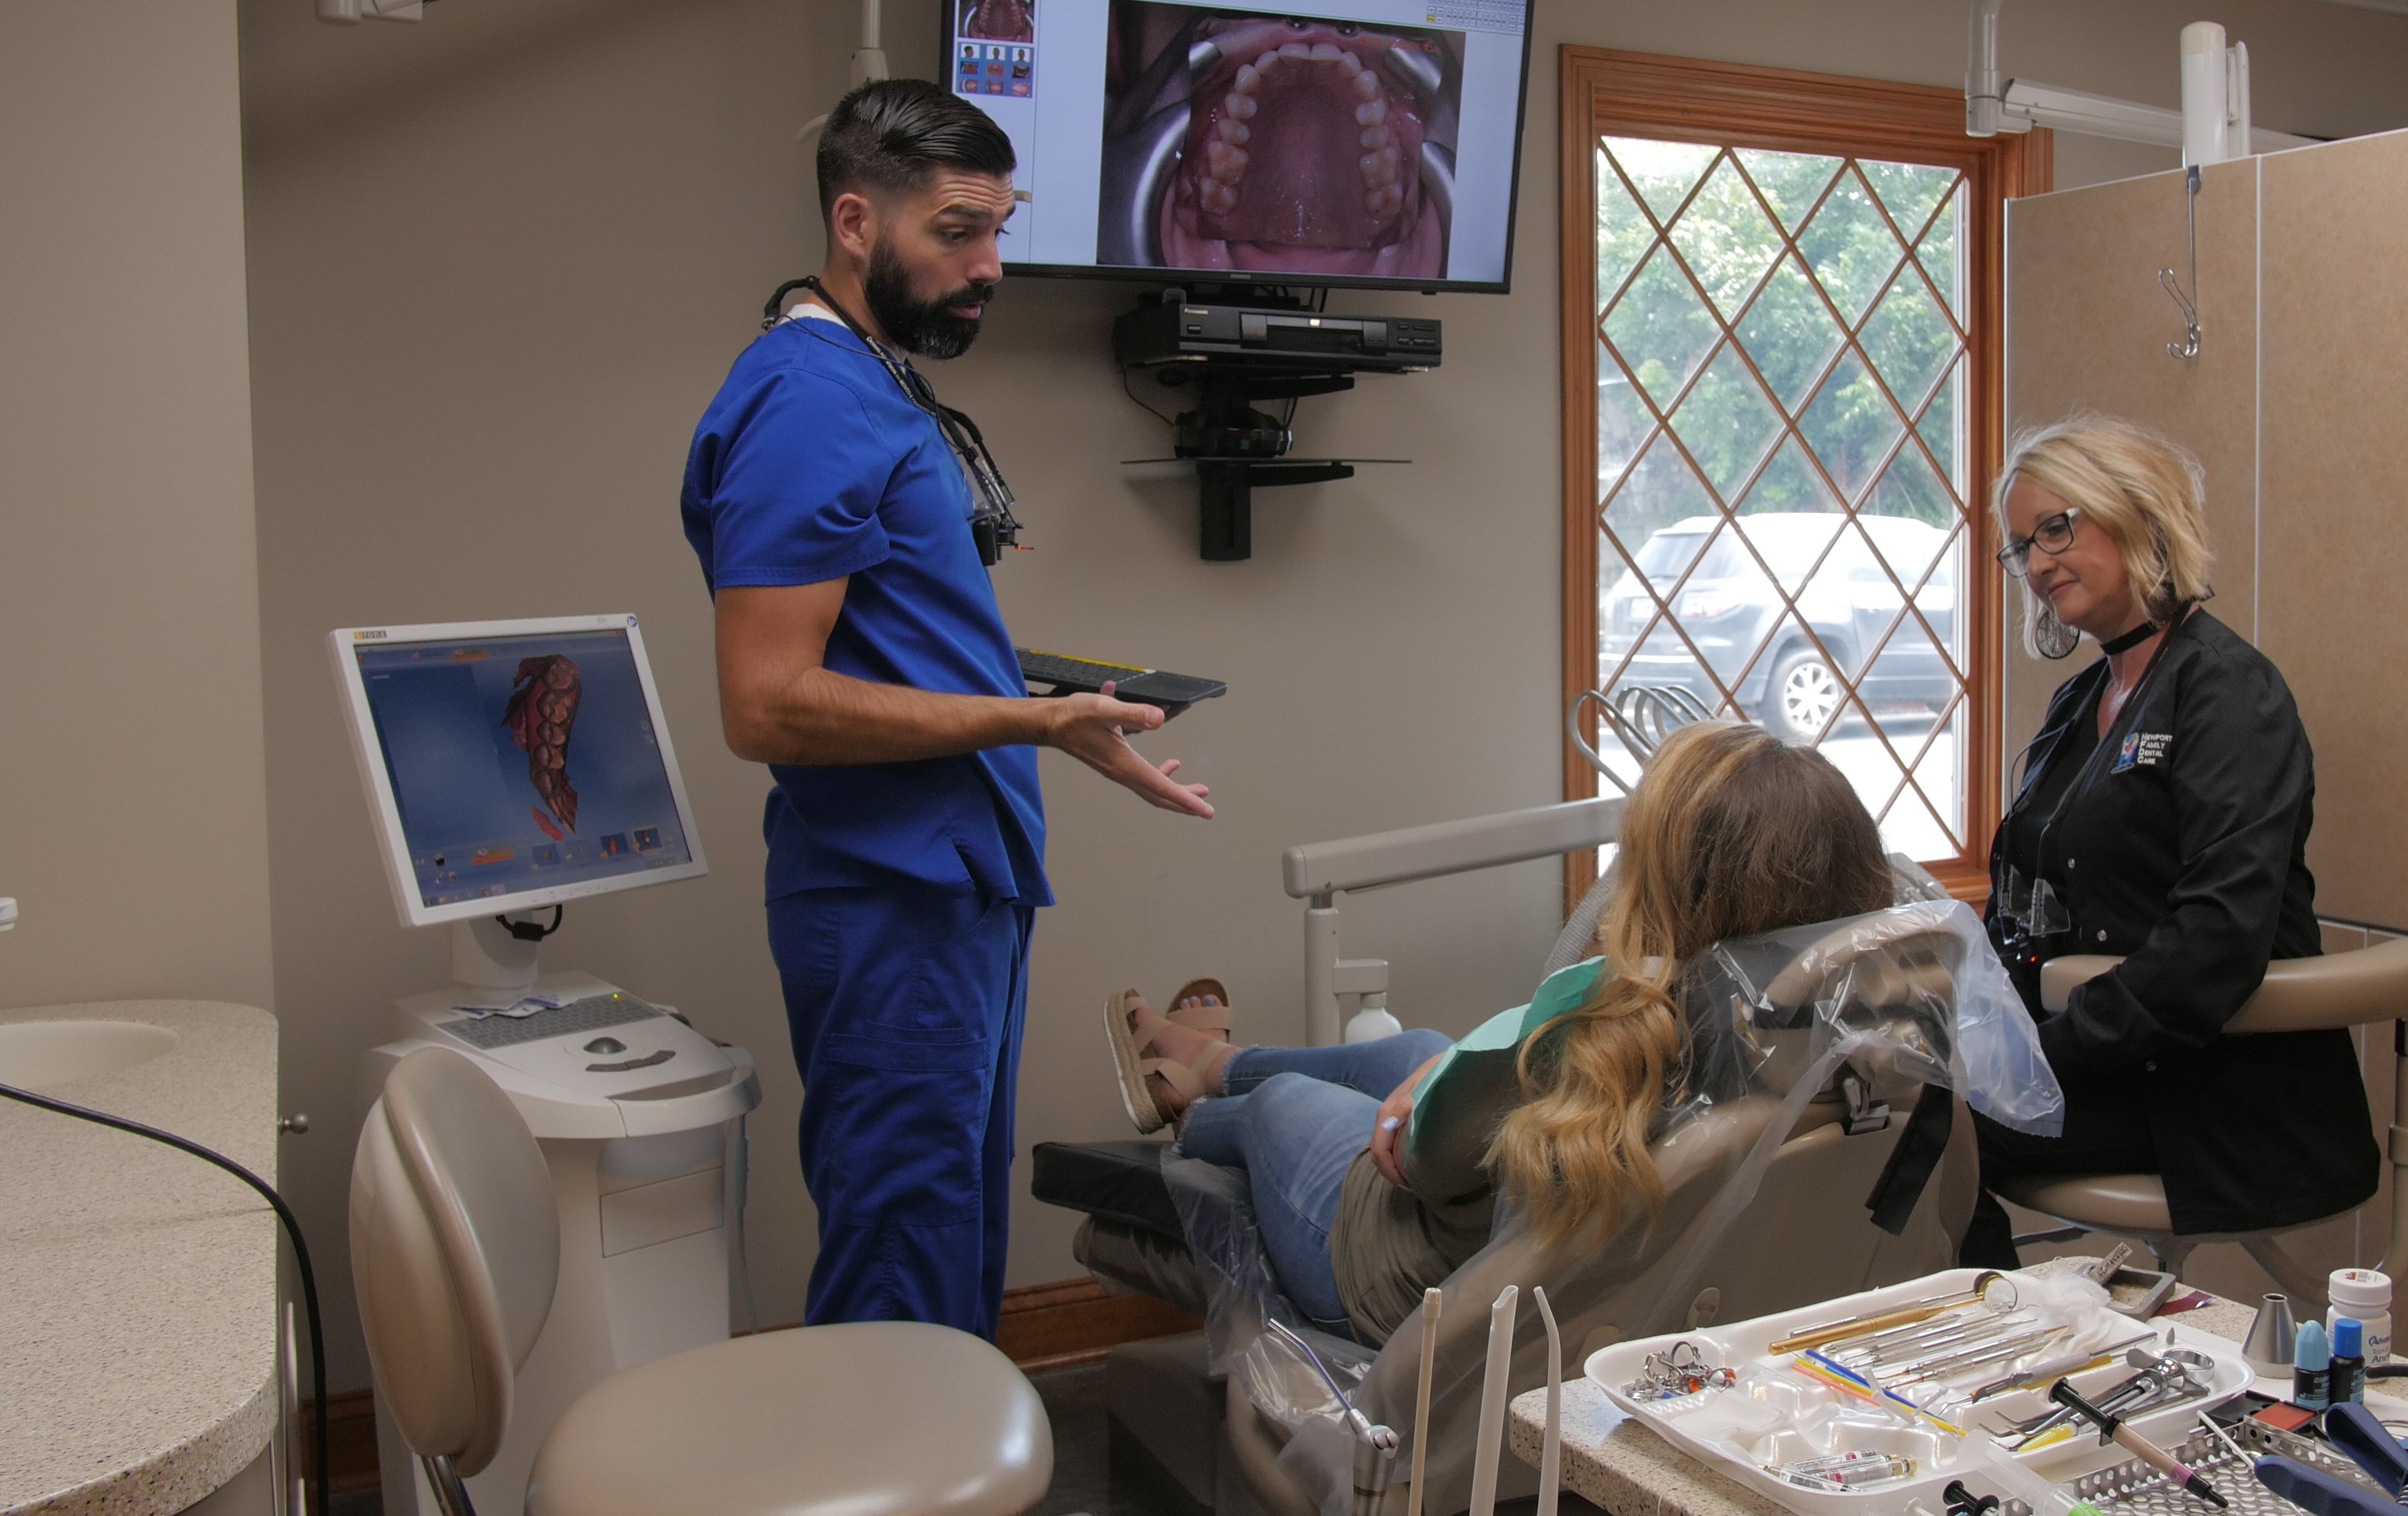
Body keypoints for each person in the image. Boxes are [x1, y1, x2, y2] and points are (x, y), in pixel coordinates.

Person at [684, 80, 1213, 1339]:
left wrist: (1060, 716)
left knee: (948, 1241)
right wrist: (1029, 726)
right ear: (855, 221)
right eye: (957, 232)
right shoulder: (809, 399)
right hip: (888, 897)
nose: (989, 267)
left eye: (999, 230)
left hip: (951, 884)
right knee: (901, 1267)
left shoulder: (871, 381)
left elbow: (891, 642)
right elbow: (765, 703)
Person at [1105, 720, 1892, 1345]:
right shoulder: (1853, 1048)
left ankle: (1197, 1107)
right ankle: (1217, 1062)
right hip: (1517, 1229)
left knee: (1285, 1101)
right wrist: (1445, 1068)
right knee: (1412, 1049)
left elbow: (1416, 1165)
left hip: (1412, 1286)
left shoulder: (1596, 1041)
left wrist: (1433, 1095)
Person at [1962, 415, 2376, 1269]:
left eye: (2056, 529)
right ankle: (1994, 1325)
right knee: (1888, 1107)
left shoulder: (2229, 693)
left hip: (2213, 1093)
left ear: (2138, 516)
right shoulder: (2080, 703)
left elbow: (2216, 938)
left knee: (1917, 1132)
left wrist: (2041, 1055)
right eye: (2022, 547)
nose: (2037, 564)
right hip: (2102, 1062)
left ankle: (1992, 1331)